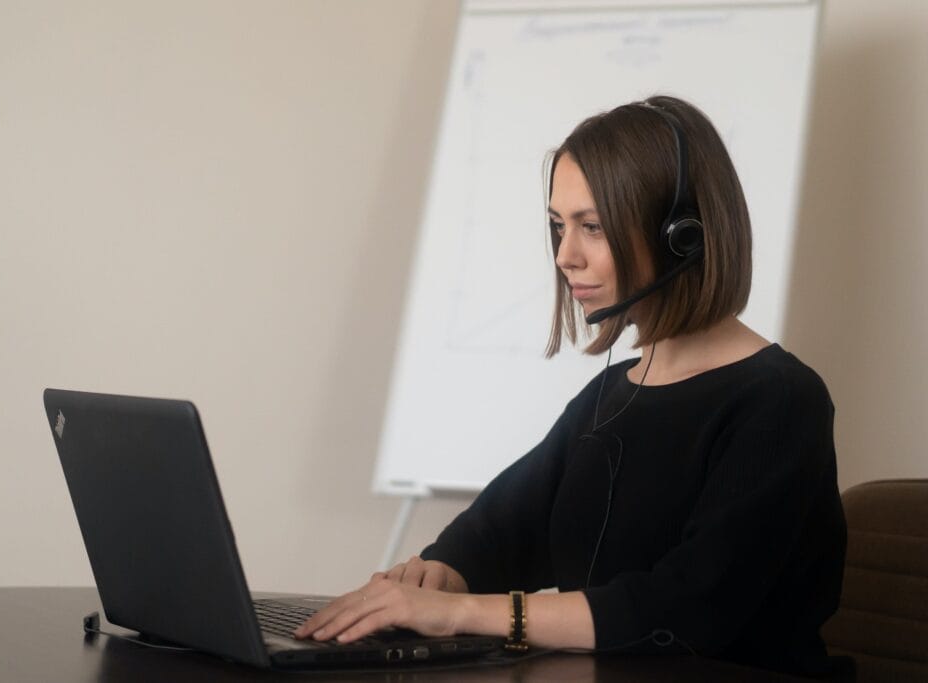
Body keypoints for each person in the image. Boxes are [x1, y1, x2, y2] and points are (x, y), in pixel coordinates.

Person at [294, 95, 848, 678]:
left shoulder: (781, 401)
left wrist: (460, 612)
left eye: (593, 227)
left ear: (681, 236)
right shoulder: (610, 397)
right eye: (559, 227)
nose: (565, 256)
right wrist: (435, 576)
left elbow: (688, 609)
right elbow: (500, 532)